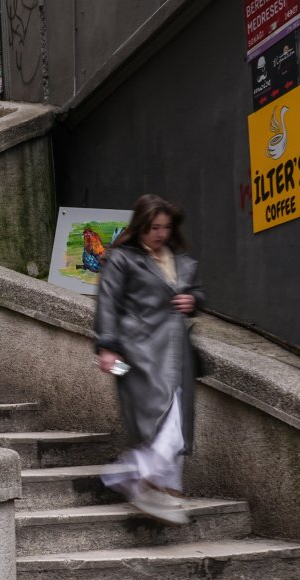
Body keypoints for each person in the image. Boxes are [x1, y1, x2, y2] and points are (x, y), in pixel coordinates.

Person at [94, 194, 205, 525]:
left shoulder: (180, 260)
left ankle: (152, 483)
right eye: (154, 227)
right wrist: (107, 346)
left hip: (177, 353)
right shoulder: (122, 259)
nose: (161, 234)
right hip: (137, 351)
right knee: (158, 418)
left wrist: (193, 301)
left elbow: (198, 293)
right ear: (141, 226)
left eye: (166, 227)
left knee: (176, 420)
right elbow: (107, 303)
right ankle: (134, 476)